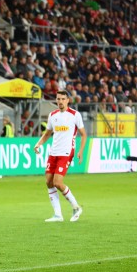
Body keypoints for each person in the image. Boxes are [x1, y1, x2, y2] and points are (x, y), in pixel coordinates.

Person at [33, 90, 86, 222]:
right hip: (54, 152)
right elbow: (47, 133)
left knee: (57, 182)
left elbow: (83, 134)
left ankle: (76, 207)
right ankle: (58, 215)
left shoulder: (75, 115)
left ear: (68, 100)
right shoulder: (52, 115)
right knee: (49, 182)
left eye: (63, 99)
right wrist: (39, 144)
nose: (60, 101)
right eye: (58, 99)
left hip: (66, 152)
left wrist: (81, 151)